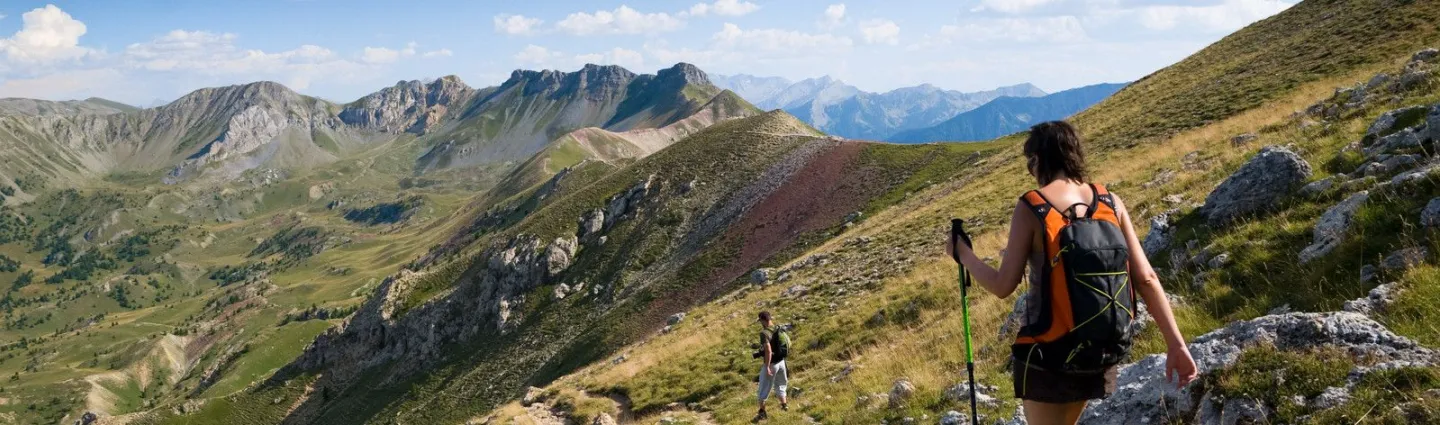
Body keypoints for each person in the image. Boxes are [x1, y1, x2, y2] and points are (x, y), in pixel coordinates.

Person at [947, 121, 1198, 425]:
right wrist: (1177, 344)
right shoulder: (1110, 202)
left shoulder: (1032, 206)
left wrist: (964, 254)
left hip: (1048, 352)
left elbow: (1003, 285)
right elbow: (1146, 278)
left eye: (1030, 163)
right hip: (1099, 348)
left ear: (1038, 159)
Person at [754, 311, 789, 422]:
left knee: (763, 390)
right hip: (781, 362)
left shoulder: (764, 333)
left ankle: (762, 413)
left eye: (760, 321)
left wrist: (767, 366)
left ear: (763, 320)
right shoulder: (778, 328)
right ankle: (784, 406)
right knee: (781, 385)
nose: (761, 323)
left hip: (772, 364)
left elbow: (768, 351)